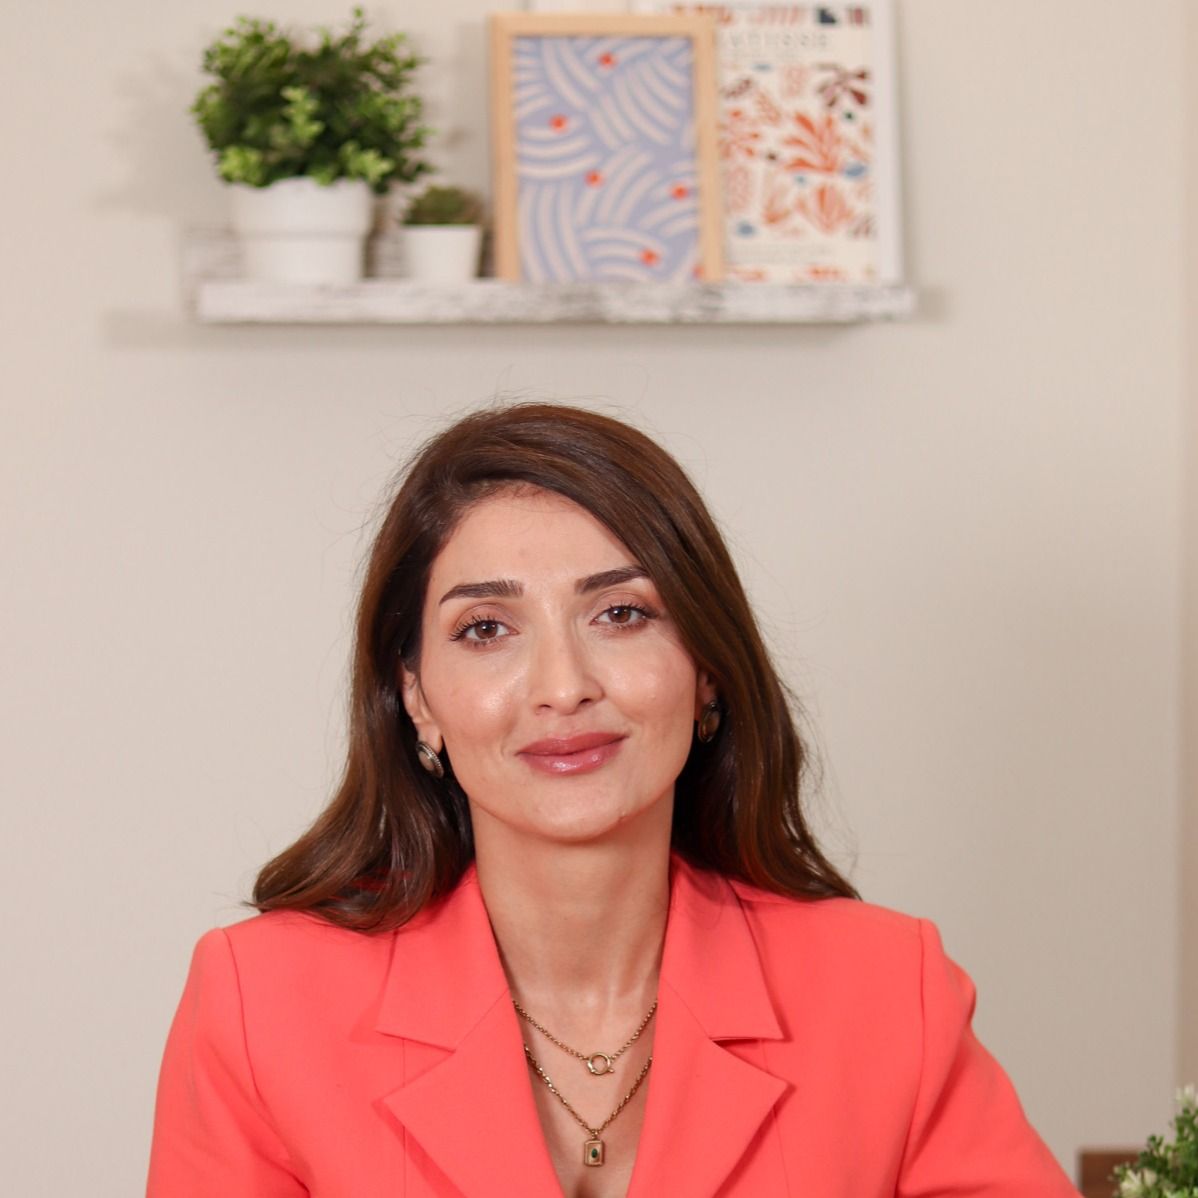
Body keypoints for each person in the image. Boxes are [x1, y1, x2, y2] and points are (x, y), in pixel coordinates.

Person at [146, 402, 1081, 1197]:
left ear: (707, 668)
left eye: (621, 614)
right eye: (486, 629)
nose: (563, 687)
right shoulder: (261, 1005)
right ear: (417, 697)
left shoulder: (886, 992)